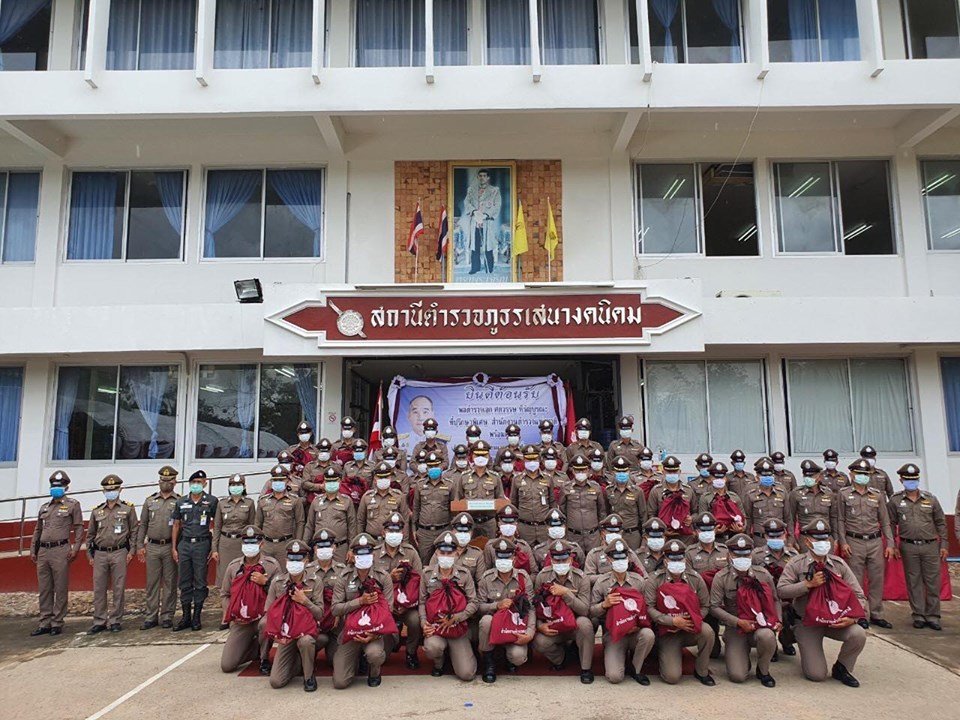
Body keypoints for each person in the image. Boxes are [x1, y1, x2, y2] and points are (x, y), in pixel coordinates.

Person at [776, 519, 868, 687]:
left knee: (858, 634)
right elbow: (781, 590)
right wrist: (807, 585)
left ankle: (842, 667)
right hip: (807, 622)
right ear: (807, 541)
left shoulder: (839, 565)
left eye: (825, 539)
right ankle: (788, 635)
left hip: (834, 621)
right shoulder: (797, 564)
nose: (822, 543)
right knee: (816, 674)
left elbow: (859, 595)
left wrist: (853, 618)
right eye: (817, 539)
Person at [710, 534, 780, 687]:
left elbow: (775, 599)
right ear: (729, 555)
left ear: (751, 554)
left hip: (759, 625)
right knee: (737, 676)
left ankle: (763, 670)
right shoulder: (721, 577)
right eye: (737, 554)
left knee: (767, 636)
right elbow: (714, 607)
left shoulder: (762, 574)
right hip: (736, 627)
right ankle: (741, 656)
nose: (742, 557)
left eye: (746, 553)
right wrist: (737, 622)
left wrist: (777, 620)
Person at [645, 539, 715, 686]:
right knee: (672, 677)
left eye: (679, 558)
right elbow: (649, 607)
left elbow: (705, 605)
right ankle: (662, 654)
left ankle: (701, 670)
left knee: (707, 632)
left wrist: (692, 620)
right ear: (665, 560)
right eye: (672, 558)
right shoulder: (655, 579)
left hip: (690, 628)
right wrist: (672, 621)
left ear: (684, 558)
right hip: (668, 631)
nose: (676, 561)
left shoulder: (695, 578)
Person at [888, 463, 949, 631]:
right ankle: (918, 614)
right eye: (908, 480)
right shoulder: (895, 500)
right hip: (908, 546)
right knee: (913, 581)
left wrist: (944, 544)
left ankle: (933, 615)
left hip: (930, 546)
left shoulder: (931, 499)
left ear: (918, 480)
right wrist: (892, 545)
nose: (911, 483)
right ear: (901, 480)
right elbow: (891, 524)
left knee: (932, 582)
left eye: (914, 480)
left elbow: (941, 523)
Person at [837, 458, 895, 629]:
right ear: (851, 475)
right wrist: (843, 541)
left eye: (865, 474)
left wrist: (890, 543)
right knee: (856, 580)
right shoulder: (844, 494)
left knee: (877, 578)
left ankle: (876, 613)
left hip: (875, 540)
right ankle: (860, 613)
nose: (862, 476)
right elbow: (840, 519)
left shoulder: (877, 495)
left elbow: (885, 521)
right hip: (854, 541)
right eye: (858, 474)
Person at [331, 533, 394, 689]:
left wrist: (375, 633)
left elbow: (389, 610)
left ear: (373, 554)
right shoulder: (344, 577)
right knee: (340, 682)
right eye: (359, 553)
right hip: (351, 631)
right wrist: (359, 601)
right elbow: (335, 609)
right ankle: (356, 660)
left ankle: (374, 672)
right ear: (353, 554)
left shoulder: (383, 577)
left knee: (375, 654)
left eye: (367, 552)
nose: (364, 556)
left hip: (374, 631)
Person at [590, 538, 655, 685]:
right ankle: (616, 655)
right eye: (616, 558)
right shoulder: (602, 582)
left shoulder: (639, 581)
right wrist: (604, 605)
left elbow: (648, 607)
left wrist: (639, 625)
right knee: (614, 677)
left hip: (635, 631)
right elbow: (590, 612)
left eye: (623, 557)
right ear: (609, 559)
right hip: (614, 635)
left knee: (648, 634)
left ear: (629, 558)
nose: (620, 561)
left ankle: (635, 668)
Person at [264, 540, 325, 692]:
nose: (294, 562)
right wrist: (276, 636)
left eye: (299, 559)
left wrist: (305, 601)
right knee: (276, 682)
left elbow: (320, 614)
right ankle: (298, 661)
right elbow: (269, 613)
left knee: (305, 642)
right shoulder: (277, 583)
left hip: (306, 632)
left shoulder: (315, 582)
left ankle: (308, 676)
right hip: (286, 635)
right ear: (286, 561)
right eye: (291, 559)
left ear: (306, 561)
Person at [219, 526, 280, 674]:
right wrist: (232, 615)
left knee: (266, 625)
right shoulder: (233, 567)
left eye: (253, 542)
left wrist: (265, 582)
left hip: (262, 617)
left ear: (261, 544)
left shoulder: (272, 566)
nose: (249, 546)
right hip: (241, 621)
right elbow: (224, 594)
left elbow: (281, 595)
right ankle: (254, 648)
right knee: (227, 665)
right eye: (246, 542)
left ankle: (264, 658)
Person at [30, 471, 84, 637]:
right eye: (53, 486)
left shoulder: (72, 505)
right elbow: (38, 529)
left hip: (61, 550)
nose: (56, 489)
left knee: (60, 587)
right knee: (45, 588)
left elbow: (79, 528)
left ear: (66, 487)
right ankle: (44, 621)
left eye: (59, 486)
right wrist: (34, 549)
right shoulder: (44, 507)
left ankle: (57, 622)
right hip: (44, 551)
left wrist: (75, 549)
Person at [533, 540, 595, 683]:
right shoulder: (542, 576)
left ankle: (586, 668)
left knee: (585, 624)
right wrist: (539, 625)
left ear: (571, 558)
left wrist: (566, 593)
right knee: (538, 641)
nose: (560, 562)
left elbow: (585, 610)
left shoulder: (581, 577)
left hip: (574, 623)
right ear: (550, 559)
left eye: (564, 559)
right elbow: (536, 606)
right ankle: (562, 659)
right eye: (556, 559)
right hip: (553, 623)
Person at [420, 532, 478, 680]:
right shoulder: (427, 574)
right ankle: (439, 662)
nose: (445, 555)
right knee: (433, 648)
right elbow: (422, 601)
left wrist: (457, 618)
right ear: (436, 553)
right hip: (435, 627)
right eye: (442, 552)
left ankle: (455, 655)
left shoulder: (464, 575)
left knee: (467, 674)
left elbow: (474, 602)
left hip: (457, 628)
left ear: (456, 553)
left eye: (449, 552)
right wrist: (423, 623)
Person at [477, 538, 535, 683]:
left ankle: (508, 658)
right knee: (485, 621)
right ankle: (489, 662)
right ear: (495, 558)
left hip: (514, 626)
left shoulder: (522, 577)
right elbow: (479, 606)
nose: (504, 560)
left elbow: (532, 607)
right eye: (500, 557)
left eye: (507, 557)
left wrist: (530, 632)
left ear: (514, 558)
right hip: (494, 625)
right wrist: (496, 605)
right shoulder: (487, 577)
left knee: (518, 657)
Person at [86, 474, 138, 634]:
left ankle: (115, 620)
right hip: (100, 554)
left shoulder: (128, 508)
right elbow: (90, 535)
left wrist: (132, 551)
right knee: (99, 588)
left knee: (118, 587)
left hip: (120, 552)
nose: (111, 492)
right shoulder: (97, 511)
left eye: (114, 489)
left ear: (120, 489)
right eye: (108, 489)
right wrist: (89, 555)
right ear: (103, 491)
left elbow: (134, 530)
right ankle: (99, 620)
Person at [375, 512, 423, 669]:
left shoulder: (411, 552)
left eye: (397, 531)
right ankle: (392, 641)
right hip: (383, 604)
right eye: (390, 531)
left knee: (415, 620)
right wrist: (389, 578)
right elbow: (369, 583)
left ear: (402, 533)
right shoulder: (375, 554)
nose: (394, 534)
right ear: (383, 532)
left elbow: (419, 582)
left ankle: (411, 652)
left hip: (407, 604)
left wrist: (408, 604)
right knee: (382, 657)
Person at [171, 470, 218, 632]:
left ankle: (197, 616)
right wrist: (174, 548)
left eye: (200, 482)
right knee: (184, 581)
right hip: (184, 545)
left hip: (202, 544)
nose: (196, 484)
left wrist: (213, 547)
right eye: (194, 482)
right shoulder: (181, 501)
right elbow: (176, 525)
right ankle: (185, 617)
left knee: (200, 581)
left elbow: (216, 524)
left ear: (205, 483)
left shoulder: (211, 501)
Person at [136, 465, 181, 630]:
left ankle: (167, 616)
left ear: (174, 481)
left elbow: (180, 526)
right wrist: (140, 545)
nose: (165, 483)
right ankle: (150, 616)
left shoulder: (178, 501)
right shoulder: (150, 501)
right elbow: (143, 525)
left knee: (170, 583)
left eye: (168, 480)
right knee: (152, 583)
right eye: (162, 480)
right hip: (153, 546)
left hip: (170, 546)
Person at [753, 518, 799, 657]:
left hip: (787, 600)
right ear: (766, 536)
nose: (776, 538)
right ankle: (770, 645)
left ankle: (786, 641)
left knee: (792, 618)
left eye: (779, 535)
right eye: (771, 536)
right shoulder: (756, 555)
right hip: (766, 600)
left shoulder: (793, 555)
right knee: (768, 612)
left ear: (785, 534)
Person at [685, 512, 728, 658]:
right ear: (696, 532)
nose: (706, 533)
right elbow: (689, 581)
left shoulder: (725, 550)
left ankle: (731, 638)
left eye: (709, 529)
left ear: (715, 529)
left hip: (723, 601)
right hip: (702, 601)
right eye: (702, 530)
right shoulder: (689, 553)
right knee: (713, 653)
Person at [308, 529, 346, 667]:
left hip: (337, 625)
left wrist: (339, 613)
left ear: (334, 547)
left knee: (335, 662)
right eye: (320, 546)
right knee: (314, 642)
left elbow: (348, 599)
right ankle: (310, 655)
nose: (324, 549)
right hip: (314, 625)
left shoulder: (343, 570)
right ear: (315, 549)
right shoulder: (307, 570)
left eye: (328, 546)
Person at [212, 473, 257, 587]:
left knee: (242, 574)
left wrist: (253, 546)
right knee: (224, 576)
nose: (235, 487)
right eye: (233, 484)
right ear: (228, 487)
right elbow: (217, 527)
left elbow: (252, 526)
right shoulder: (222, 503)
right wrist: (214, 549)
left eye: (238, 484)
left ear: (244, 486)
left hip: (242, 543)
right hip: (225, 543)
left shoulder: (249, 503)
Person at [412, 450, 456, 563]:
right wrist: (413, 530)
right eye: (431, 466)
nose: (433, 468)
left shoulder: (450, 484)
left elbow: (454, 510)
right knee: (424, 563)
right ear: (426, 467)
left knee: (444, 562)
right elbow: (416, 508)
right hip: (424, 532)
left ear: (442, 466)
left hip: (444, 530)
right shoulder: (420, 485)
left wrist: (452, 530)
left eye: (436, 465)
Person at [304, 466, 356, 561]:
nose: (331, 484)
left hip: (340, 548)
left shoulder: (347, 501)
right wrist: (304, 548)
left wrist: (351, 548)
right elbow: (309, 526)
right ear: (324, 482)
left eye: (334, 481)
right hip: (320, 547)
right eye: (328, 481)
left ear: (339, 482)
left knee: (340, 573)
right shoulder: (316, 501)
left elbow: (352, 527)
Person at [256, 465, 306, 562]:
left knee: (284, 574)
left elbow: (300, 522)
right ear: (271, 482)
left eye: (281, 480)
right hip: (266, 545)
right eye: (275, 480)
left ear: (287, 481)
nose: (278, 483)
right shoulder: (263, 500)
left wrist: (297, 542)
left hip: (285, 543)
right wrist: (257, 543)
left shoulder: (295, 500)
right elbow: (258, 523)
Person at [511, 444, 557, 546]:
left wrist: (553, 525)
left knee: (545, 556)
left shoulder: (548, 478)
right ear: (524, 460)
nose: (532, 462)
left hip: (544, 528)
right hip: (524, 528)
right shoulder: (517, 479)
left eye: (534, 459)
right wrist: (514, 525)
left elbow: (552, 503)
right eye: (528, 459)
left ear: (539, 460)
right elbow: (513, 503)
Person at [456, 440, 504, 538]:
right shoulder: (464, 477)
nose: (480, 458)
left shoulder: (495, 477)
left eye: (484, 455)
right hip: (470, 522)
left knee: (490, 549)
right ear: (473, 456)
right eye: (477, 455)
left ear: (488, 456)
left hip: (489, 522)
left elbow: (501, 501)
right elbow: (458, 500)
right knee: (469, 550)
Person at [559, 454, 607, 551]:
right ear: (572, 470)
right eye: (577, 470)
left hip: (593, 536)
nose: (580, 472)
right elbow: (562, 512)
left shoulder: (596, 487)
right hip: (573, 536)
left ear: (588, 470)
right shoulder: (565, 488)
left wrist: (603, 533)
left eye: (583, 470)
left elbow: (602, 512)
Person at [786, 460, 837, 546]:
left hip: (826, 537)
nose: (808, 478)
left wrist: (836, 538)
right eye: (806, 475)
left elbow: (833, 518)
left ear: (819, 477)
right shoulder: (796, 493)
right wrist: (792, 539)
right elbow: (791, 519)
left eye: (811, 476)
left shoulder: (828, 493)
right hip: (806, 537)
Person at [462, 168, 502, 274]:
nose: (482, 178)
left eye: (484, 176)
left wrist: (486, 214)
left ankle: (489, 266)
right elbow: (466, 202)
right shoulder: (471, 190)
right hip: (475, 220)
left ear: (488, 178)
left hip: (487, 221)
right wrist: (474, 211)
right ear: (477, 177)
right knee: (475, 245)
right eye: (480, 176)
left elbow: (497, 205)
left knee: (487, 245)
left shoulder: (494, 190)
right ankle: (475, 267)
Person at [583, 514, 643, 584]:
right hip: (603, 590)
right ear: (603, 533)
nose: (614, 534)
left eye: (617, 532)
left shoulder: (628, 553)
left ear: (621, 533)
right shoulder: (594, 554)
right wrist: (611, 577)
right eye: (611, 532)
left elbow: (644, 576)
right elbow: (587, 578)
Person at [479, 505, 538, 576]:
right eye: (505, 522)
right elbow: (486, 572)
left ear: (516, 525)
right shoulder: (491, 546)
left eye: (511, 522)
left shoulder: (524, 546)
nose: (508, 525)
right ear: (499, 524)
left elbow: (534, 572)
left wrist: (524, 585)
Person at [647, 456, 695, 541]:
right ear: (663, 472)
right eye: (669, 472)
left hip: (685, 536)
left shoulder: (688, 490)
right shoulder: (656, 491)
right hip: (664, 536)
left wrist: (691, 519)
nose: (672, 474)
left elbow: (696, 511)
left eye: (674, 471)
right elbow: (651, 514)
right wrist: (660, 529)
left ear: (679, 472)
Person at [358, 462, 411, 539]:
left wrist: (405, 541)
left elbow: (405, 521)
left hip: (392, 540)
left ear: (390, 478)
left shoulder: (399, 496)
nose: (383, 480)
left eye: (386, 477)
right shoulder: (367, 497)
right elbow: (360, 521)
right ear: (375, 479)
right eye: (380, 477)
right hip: (372, 540)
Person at [742, 459, 789, 543]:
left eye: (769, 475)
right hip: (760, 539)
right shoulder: (750, 495)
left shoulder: (782, 492)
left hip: (780, 537)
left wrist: (791, 539)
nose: (767, 478)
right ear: (757, 477)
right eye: (764, 476)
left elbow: (788, 517)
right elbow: (748, 519)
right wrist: (748, 538)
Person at [603, 457, 645, 549]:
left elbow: (643, 515)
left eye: (624, 472)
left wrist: (644, 539)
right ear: (614, 472)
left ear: (629, 472)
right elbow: (605, 513)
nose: (621, 474)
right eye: (618, 472)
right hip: (614, 534)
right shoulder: (608, 491)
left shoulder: (637, 491)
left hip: (632, 535)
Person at [698, 462, 745, 543]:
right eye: (716, 478)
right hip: (715, 539)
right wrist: (714, 531)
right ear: (710, 478)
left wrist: (741, 529)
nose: (719, 480)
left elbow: (743, 516)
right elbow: (702, 519)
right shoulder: (705, 498)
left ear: (725, 478)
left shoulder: (734, 497)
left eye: (721, 477)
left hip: (733, 537)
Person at [300, 438, 340, 505]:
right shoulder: (310, 466)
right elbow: (304, 483)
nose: (324, 454)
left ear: (330, 452)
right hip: (313, 501)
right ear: (317, 452)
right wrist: (320, 486)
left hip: (333, 501)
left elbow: (341, 482)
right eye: (322, 451)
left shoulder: (336, 467)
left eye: (326, 451)